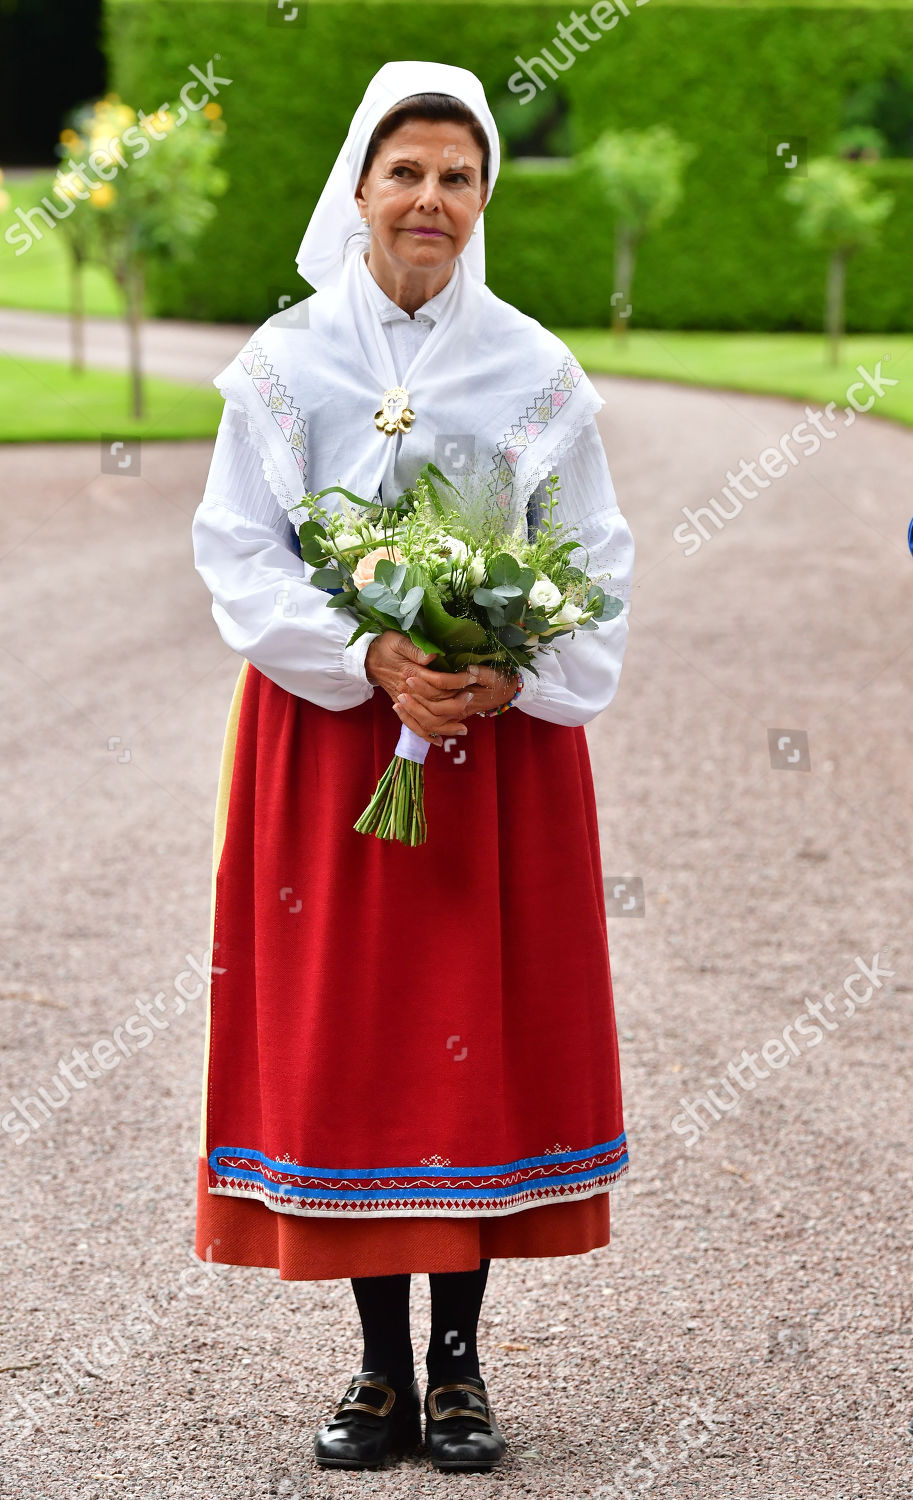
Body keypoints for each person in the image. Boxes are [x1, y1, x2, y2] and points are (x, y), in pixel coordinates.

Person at [191, 59, 635, 1475]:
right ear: (360, 191)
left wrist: (516, 661)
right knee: (359, 1040)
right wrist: (369, 658)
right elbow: (235, 546)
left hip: (490, 760)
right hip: (331, 748)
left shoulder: (534, 368)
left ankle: (459, 1369)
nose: (429, 200)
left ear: (481, 196)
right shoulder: (282, 364)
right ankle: (377, 1371)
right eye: (407, 174)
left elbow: (594, 550)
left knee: (473, 1040)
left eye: (456, 175)